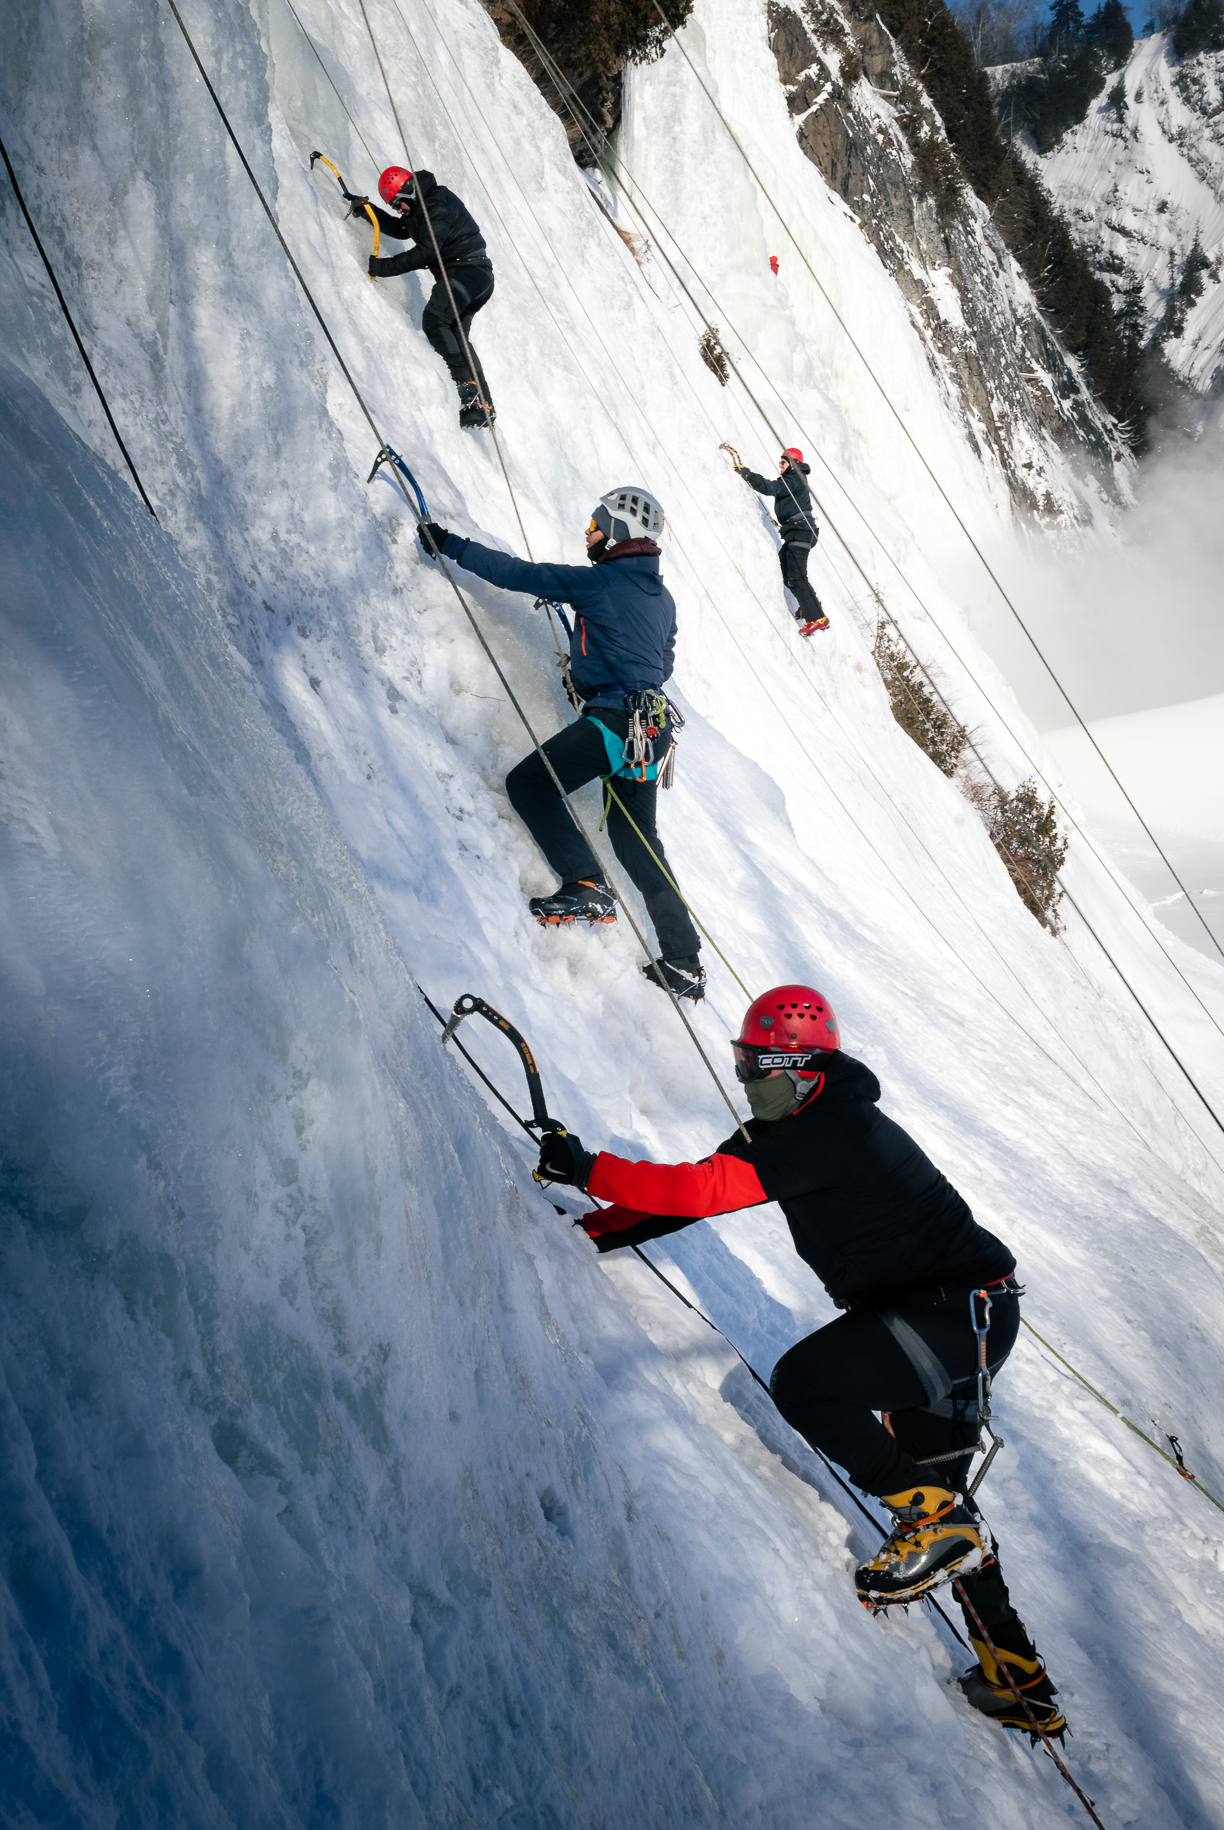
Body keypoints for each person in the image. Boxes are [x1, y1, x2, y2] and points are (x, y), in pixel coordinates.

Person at [534, 983, 1065, 1736]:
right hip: (965, 1318)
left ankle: (937, 1527)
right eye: (742, 1063)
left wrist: (587, 1167)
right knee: (940, 1508)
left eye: (756, 1066)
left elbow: (692, 1189)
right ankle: (1020, 1683)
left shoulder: (833, 1129)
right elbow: (685, 1200)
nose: (745, 1079)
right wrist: (587, 1230)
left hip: (950, 1315)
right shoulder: (797, 1132)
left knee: (811, 1386)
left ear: (798, 1068)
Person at [414, 487, 707, 1001]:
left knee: (530, 783)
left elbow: (518, 575)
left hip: (616, 722)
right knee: (637, 839)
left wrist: (449, 544)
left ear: (619, 531)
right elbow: (662, 666)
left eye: (596, 524)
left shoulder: (598, 583)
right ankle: (683, 961)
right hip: (652, 732)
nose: (589, 532)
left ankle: (587, 884)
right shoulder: (662, 599)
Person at [354, 166, 496, 428]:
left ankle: (466, 386)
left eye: (398, 203)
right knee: (455, 336)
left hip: (467, 272)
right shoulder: (421, 206)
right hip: (474, 276)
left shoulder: (436, 204)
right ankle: (482, 407)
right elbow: (401, 229)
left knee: (434, 319)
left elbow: (427, 252)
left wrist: (384, 267)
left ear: (408, 191)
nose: (398, 209)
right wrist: (368, 211)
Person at [733, 446, 828, 636]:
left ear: (793, 464)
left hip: (800, 531)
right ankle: (808, 604)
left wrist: (748, 475)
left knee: (796, 576)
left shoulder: (794, 478)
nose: (780, 465)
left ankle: (817, 618)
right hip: (797, 531)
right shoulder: (794, 478)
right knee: (786, 572)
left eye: (783, 462)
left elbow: (772, 488)